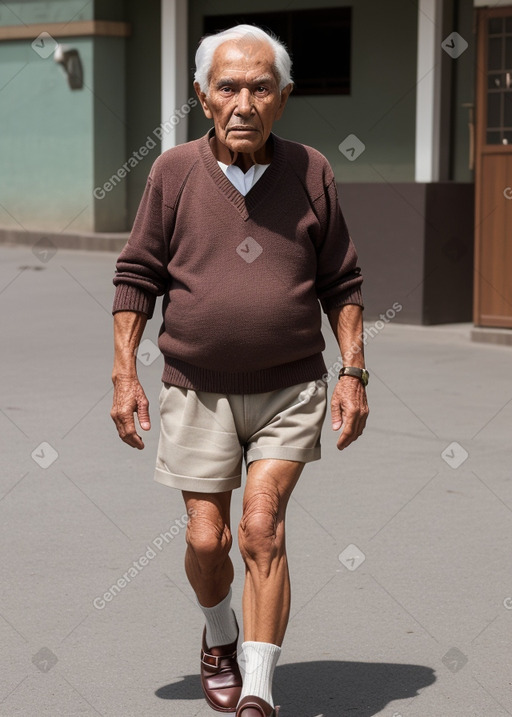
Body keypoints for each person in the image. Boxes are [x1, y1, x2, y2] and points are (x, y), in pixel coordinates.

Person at [110, 23, 369, 717]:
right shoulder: (171, 173)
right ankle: (218, 633)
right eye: (228, 86)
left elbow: (341, 281)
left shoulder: (313, 170)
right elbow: (137, 274)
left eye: (260, 87)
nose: (243, 101)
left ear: (283, 98)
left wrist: (354, 372)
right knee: (207, 539)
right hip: (195, 388)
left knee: (261, 527)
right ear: (202, 96)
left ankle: (258, 690)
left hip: (289, 387)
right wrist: (125, 373)